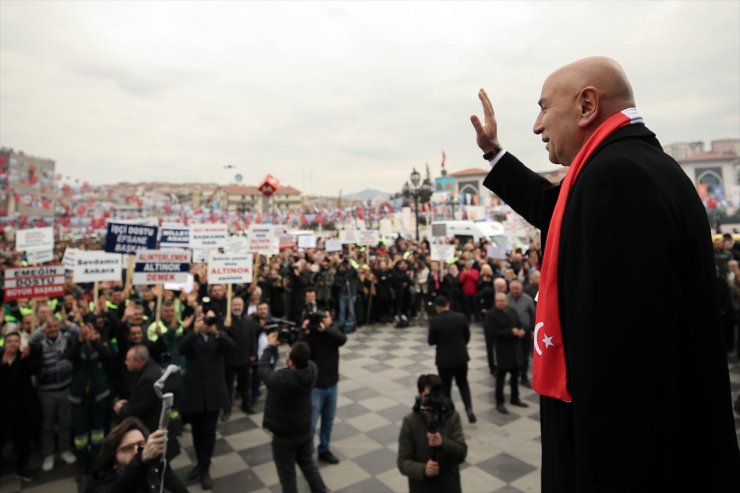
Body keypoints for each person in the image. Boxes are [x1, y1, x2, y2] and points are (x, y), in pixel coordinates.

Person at [471, 56, 739, 491]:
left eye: (543, 108)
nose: (537, 126)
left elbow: (626, 371)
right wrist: (493, 154)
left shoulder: (619, 177)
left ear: (587, 105)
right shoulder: (626, 166)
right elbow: (555, 209)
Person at [259, 333, 327, 493]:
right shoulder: (312, 370)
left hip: (284, 436)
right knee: (308, 465)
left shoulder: (283, 379)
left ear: (290, 361)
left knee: (288, 478)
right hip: (303, 429)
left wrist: (270, 346)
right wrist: (294, 346)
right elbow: (303, 359)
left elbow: (263, 369)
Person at [179, 309, 234, 490]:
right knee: (196, 432)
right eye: (203, 319)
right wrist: (194, 331)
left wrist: (216, 332)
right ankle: (201, 464)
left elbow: (231, 347)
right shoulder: (191, 337)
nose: (206, 323)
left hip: (213, 395)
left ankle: (204, 467)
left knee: (209, 432)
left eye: (209, 320)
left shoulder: (218, 337)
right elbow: (182, 349)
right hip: (195, 394)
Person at [397, 374, 467, 493]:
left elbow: (461, 454)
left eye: (436, 395)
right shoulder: (410, 422)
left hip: (449, 487)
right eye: (427, 396)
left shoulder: (452, 417)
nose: (432, 400)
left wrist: (443, 442)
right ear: (419, 395)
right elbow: (403, 462)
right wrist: (424, 470)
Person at [85, 416, 187, 493]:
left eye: (141, 444)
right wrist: (140, 460)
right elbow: (122, 485)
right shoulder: (100, 482)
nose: (136, 451)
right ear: (113, 460)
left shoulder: (150, 467)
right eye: (128, 448)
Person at [301, 309, 347, 464]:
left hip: (332, 385)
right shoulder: (310, 335)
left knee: (328, 421)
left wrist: (325, 330)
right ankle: (307, 452)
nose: (322, 320)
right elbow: (301, 351)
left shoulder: (332, 333)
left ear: (330, 319)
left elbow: (343, 339)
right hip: (316, 387)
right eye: (320, 318)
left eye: (325, 317)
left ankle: (324, 450)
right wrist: (306, 331)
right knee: (311, 424)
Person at [427, 296, 476, 424]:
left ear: (438, 307)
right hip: (460, 357)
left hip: (444, 360)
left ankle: (448, 412)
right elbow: (467, 336)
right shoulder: (461, 317)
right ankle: (469, 409)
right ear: (448, 304)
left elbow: (431, 342)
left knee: (446, 387)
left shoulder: (435, 321)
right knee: (463, 384)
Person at [0, 331, 40, 482]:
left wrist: (26, 356)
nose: (13, 344)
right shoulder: (1, 357)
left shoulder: (24, 357)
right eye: (10, 341)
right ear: (5, 343)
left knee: (22, 439)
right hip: (3, 408)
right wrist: (3, 364)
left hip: (21, 408)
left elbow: (35, 369)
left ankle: (21, 467)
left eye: (16, 341)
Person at [485, 293, 528, 414]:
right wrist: (511, 332)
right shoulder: (491, 315)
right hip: (502, 350)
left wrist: (521, 330)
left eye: (503, 300)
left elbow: (518, 323)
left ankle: (515, 398)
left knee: (515, 376)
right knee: (501, 378)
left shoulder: (512, 310)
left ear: (507, 301)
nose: (500, 302)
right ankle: (499, 402)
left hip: (515, 348)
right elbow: (492, 332)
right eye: (498, 301)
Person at [222, 295, 257, 420]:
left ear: (243, 306)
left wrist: (253, 353)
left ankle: (246, 406)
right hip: (230, 359)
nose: (237, 307)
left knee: (245, 384)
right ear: (231, 306)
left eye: (239, 305)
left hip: (245, 358)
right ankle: (226, 409)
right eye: (235, 305)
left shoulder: (249, 320)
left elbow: (253, 338)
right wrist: (225, 328)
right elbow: (222, 339)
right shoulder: (226, 321)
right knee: (228, 386)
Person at [507, 280, 536, 386]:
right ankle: (513, 376)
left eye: (517, 289)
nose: (514, 291)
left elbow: (533, 315)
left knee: (525, 355)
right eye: (512, 289)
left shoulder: (528, 299)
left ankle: (524, 377)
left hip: (526, 331)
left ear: (521, 289)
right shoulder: (506, 298)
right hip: (511, 331)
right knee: (512, 355)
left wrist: (532, 329)